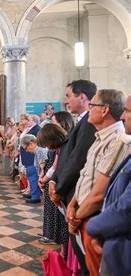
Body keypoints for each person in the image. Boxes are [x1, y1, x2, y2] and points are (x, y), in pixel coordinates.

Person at [66, 89, 129, 276]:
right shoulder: (99, 136)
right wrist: (72, 203)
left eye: (92, 105)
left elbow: (99, 193)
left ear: (104, 110)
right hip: (82, 213)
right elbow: (87, 176)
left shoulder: (118, 141)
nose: (89, 109)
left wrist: (76, 217)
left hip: (93, 217)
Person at [49, 80, 97, 273]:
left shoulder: (89, 123)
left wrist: (59, 189)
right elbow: (67, 156)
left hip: (77, 196)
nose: (66, 101)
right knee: (78, 249)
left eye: (69, 96)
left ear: (82, 97)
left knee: (84, 254)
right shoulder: (83, 121)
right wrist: (54, 180)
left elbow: (77, 160)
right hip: (70, 193)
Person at [87, 95, 131, 275]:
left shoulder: (119, 140)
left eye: (128, 111)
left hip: (123, 252)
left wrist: (94, 227)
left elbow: (126, 208)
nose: (122, 116)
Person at [36, 123, 71, 253]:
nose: (48, 148)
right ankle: (63, 251)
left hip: (65, 190)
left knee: (64, 224)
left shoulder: (67, 147)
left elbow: (66, 170)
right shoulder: (60, 148)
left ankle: (64, 253)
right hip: (58, 187)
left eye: (47, 144)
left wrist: (55, 185)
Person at [20, 114, 41, 203]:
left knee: (33, 176)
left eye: (29, 120)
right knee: (30, 176)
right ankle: (33, 194)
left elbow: (34, 143)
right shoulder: (29, 129)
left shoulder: (37, 129)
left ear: (34, 121)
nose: (27, 121)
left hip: (32, 156)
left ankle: (35, 197)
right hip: (27, 156)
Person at [21, 133, 48, 204]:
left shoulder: (39, 150)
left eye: (25, 148)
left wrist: (41, 180)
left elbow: (43, 168)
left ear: (31, 144)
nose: (26, 151)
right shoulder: (37, 150)